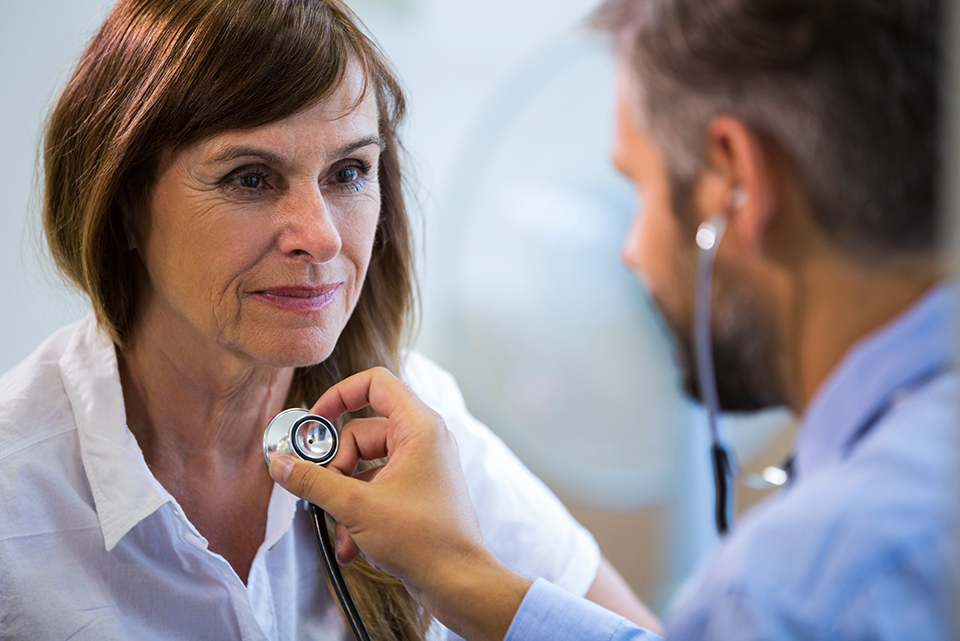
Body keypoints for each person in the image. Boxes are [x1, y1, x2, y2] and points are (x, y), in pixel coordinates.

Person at [267, 0, 958, 638]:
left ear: (738, 183)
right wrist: (466, 582)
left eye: (637, 185)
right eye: (252, 179)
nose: (628, 250)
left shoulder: (796, 593)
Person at [0, 1, 655, 639]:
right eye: (250, 178)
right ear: (122, 205)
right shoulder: (16, 493)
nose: (321, 237)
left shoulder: (419, 430)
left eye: (348, 172)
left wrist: (461, 578)